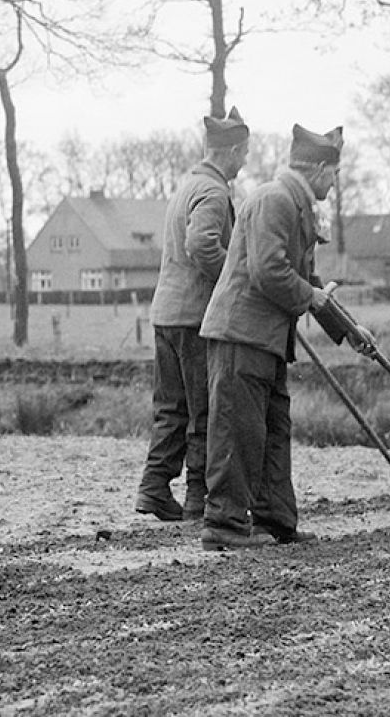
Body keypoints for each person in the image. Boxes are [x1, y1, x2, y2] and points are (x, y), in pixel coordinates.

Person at [196, 123, 342, 551]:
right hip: (241, 335)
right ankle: (223, 523)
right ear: (317, 169)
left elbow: (308, 281)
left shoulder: (298, 206)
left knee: (273, 430)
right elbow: (269, 272)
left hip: (267, 341)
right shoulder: (274, 200)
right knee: (238, 431)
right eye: (333, 174)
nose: (334, 183)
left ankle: (275, 521)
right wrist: (311, 298)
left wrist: (349, 332)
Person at [135, 107, 250, 522]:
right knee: (204, 408)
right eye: (245, 153)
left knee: (170, 407)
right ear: (232, 151)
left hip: (165, 314)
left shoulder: (188, 184)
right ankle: (198, 497)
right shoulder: (215, 192)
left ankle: (153, 488)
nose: (245, 162)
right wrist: (234, 279)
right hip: (193, 317)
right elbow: (202, 244)